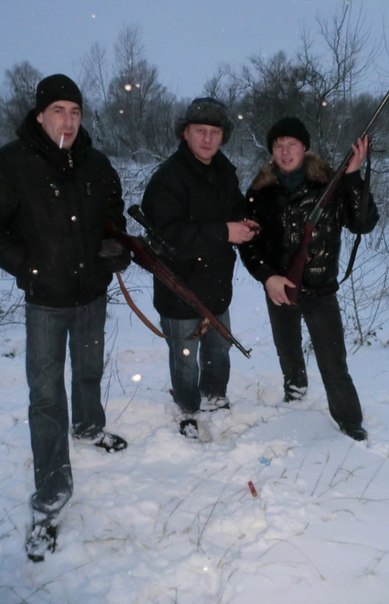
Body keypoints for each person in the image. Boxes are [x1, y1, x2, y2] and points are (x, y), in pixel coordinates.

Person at [0, 74, 131, 561]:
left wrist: (115, 249)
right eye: (58, 111)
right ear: (40, 116)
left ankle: (90, 427)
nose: (68, 121)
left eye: (75, 112)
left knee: (89, 370)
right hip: (45, 302)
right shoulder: (12, 163)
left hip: (91, 294)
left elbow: (113, 218)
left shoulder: (96, 163)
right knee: (46, 396)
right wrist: (27, 266)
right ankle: (51, 498)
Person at [240, 116, 379, 441]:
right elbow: (249, 245)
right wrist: (268, 277)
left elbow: (363, 223)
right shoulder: (260, 192)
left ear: (304, 147)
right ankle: (295, 394)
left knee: (333, 362)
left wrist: (353, 176)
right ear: (271, 151)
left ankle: (349, 421)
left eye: (292, 144)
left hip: (320, 290)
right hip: (279, 288)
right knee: (288, 351)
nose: (285, 151)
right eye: (279, 145)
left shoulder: (330, 184)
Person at [141, 97, 259, 438]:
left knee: (219, 348)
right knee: (184, 356)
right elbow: (169, 236)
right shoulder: (168, 178)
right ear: (185, 133)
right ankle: (188, 408)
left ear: (223, 136)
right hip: (178, 285)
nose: (207, 139)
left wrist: (245, 221)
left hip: (216, 282)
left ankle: (215, 396)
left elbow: (235, 207)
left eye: (214, 132)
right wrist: (224, 232)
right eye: (200, 131)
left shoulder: (224, 172)